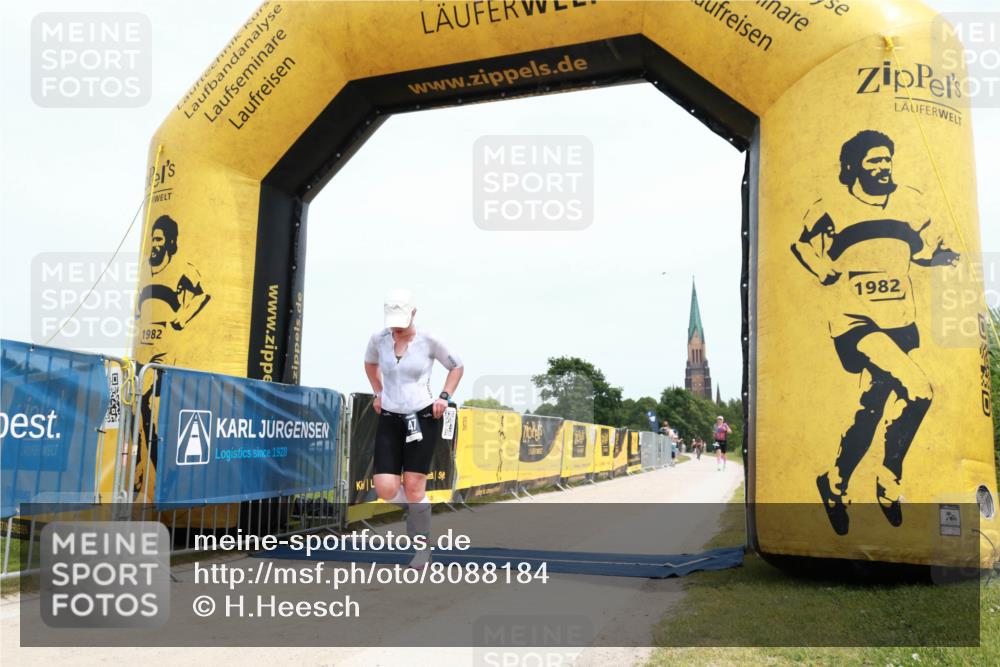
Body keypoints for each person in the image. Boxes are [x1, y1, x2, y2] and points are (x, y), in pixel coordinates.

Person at [790, 130, 958, 535]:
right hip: (855, 322)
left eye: (887, 160)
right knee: (919, 389)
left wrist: (940, 259)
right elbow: (801, 245)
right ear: (853, 167)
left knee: (869, 411)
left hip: (900, 321)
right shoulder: (831, 206)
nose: (883, 168)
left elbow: (918, 253)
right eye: (874, 162)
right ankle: (889, 478)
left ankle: (834, 482)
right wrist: (821, 268)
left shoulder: (910, 202)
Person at [364, 289, 464, 569]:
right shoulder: (379, 339)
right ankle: (420, 509)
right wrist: (377, 391)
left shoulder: (429, 340)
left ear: (413, 313)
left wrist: (444, 397)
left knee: (414, 485)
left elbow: (456, 367)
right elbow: (370, 364)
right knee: (385, 488)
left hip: (422, 417)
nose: (396, 326)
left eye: (401, 319)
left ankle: (421, 548)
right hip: (389, 415)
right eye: (392, 320)